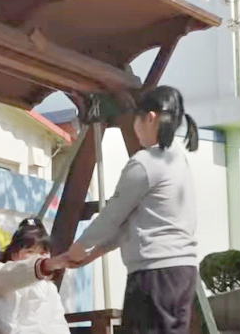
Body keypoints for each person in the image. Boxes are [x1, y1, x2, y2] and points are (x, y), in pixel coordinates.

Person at [52, 87, 201, 334]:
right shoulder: (178, 160)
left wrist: (78, 248)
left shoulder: (144, 164)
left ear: (150, 118)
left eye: (136, 120)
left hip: (154, 276)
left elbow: (113, 216)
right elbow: (133, 224)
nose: (134, 127)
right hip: (182, 273)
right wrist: (93, 253)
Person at [0, 218, 71, 334]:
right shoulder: (10, 285)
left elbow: (58, 322)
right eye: (30, 252)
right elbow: (6, 325)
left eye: (43, 253)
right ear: (15, 255)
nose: (38, 257)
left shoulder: (50, 288)